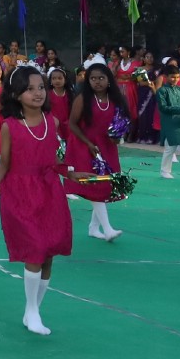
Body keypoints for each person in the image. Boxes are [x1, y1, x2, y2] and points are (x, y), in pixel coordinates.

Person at [0, 64, 81, 336]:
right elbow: (4, 164)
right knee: (35, 248)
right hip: (21, 194)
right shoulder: (10, 127)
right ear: (16, 94)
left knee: (48, 254)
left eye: (41, 88)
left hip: (50, 191)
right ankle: (32, 310)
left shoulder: (53, 122)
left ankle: (33, 308)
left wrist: (73, 173)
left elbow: (57, 158)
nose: (38, 94)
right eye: (30, 89)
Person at [67, 63, 129, 241]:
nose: (97, 82)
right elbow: (72, 124)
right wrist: (87, 143)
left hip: (106, 146)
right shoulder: (83, 98)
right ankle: (107, 229)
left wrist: (117, 136)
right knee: (96, 184)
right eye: (93, 78)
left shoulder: (116, 99)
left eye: (101, 78)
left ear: (109, 79)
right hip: (84, 146)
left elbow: (120, 125)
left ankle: (93, 228)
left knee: (105, 186)